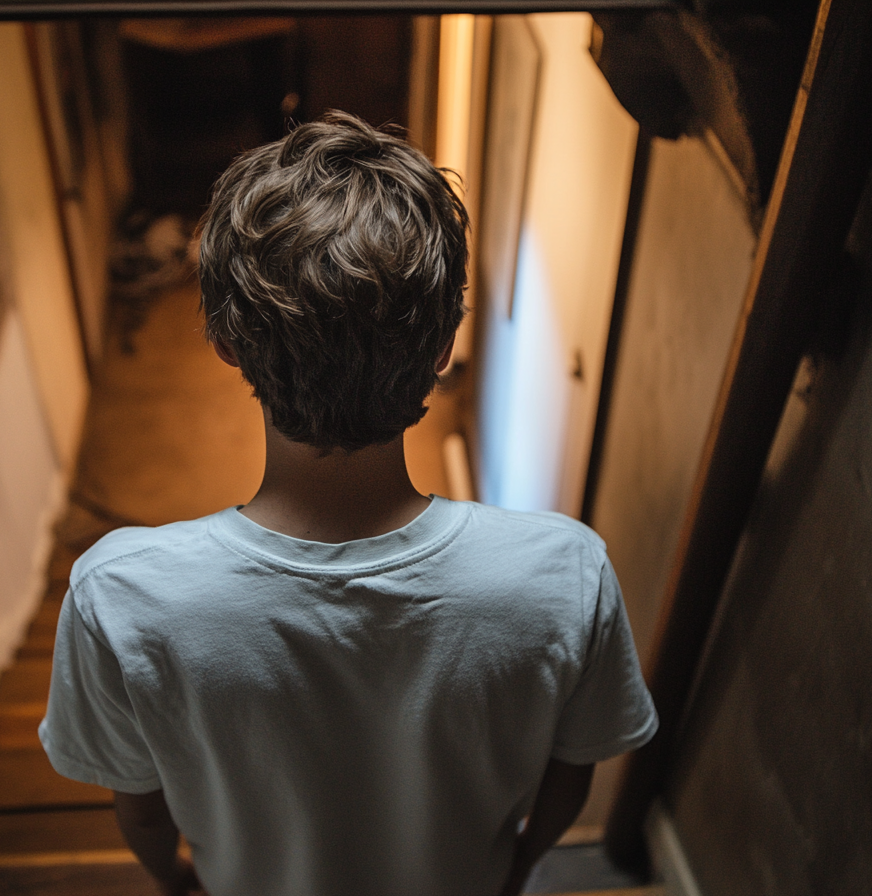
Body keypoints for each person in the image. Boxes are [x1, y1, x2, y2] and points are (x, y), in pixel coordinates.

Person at [39, 111, 657, 896]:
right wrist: (522, 868)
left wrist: (175, 884)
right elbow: (571, 779)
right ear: (443, 347)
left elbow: (143, 812)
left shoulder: (120, 597)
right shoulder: (565, 575)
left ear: (225, 341)